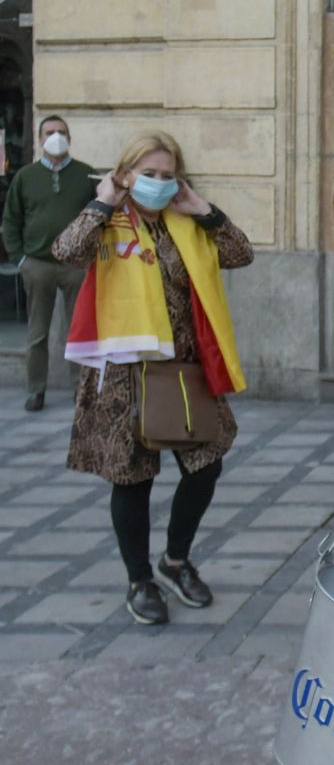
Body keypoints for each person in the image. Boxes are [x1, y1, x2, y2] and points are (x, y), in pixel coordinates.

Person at [52, 130, 252, 626]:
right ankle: (139, 579)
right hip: (125, 372)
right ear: (125, 175)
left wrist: (202, 208)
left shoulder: (186, 224)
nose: (159, 184)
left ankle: (175, 560)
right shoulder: (106, 222)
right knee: (133, 477)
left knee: (206, 465)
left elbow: (240, 253)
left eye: (168, 175)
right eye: (149, 174)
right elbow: (65, 250)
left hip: (186, 369)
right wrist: (102, 203)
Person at [1, 114, 98, 411]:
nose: (56, 137)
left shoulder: (86, 175)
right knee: (37, 332)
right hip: (38, 265)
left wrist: (91, 256)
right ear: (40, 138)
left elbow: (99, 218)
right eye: (50, 132)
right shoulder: (25, 177)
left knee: (79, 331)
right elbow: (12, 219)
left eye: (61, 132)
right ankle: (36, 390)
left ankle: (81, 389)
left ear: (70, 138)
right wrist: (20, 259)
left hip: (75, 266)